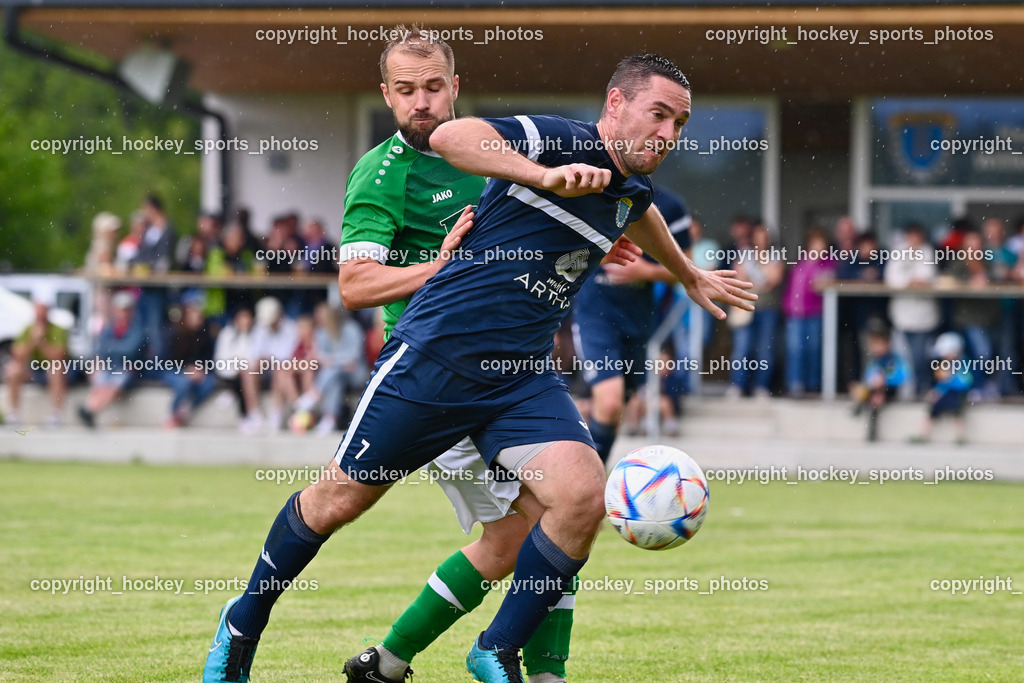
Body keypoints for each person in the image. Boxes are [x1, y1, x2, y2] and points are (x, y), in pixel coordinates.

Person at [203, 51, 755, 683]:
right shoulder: (559, 141)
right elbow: (453, 137)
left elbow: (642, 206)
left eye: (678, 125)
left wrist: (687, 274)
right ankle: (242, 624)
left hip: (519, 376)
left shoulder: (627, 184)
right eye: (658, 115)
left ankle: (497, 651)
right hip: (434, 362)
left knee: (578, 496)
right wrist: (540, 176)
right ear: (614, 105)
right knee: (336, 502)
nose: (667, 135)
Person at [571, 185, 691, 463]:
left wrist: (645, 271)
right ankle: (587, 479)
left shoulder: (669, 206)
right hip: (594, 314)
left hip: (639, 319)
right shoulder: (588, 192)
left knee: (616, 408)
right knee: (609, 400)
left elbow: (688, 268)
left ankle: (592, 474)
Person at [884, 222, 939, 397]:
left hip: (924, 315)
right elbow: (892, 278)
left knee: (921, 356)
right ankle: (907, 392)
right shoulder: (899, 251)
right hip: (902, 315)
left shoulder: (928, 251)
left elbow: (928, 276)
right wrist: (910, 280)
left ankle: (921, 389)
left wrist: (912, 280)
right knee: (904, 357)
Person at [77, 291, 145, 428]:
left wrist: (111, 350)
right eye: (120, 310)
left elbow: (130, 351)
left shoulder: (137, 329)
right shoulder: (110, 328)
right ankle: (89, 409)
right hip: (111, 366)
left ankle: (90, 410)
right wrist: (114, 351)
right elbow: (100, 349)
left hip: (129, 368)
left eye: (126, 310)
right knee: (100, 380)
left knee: (112, 385)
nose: (123, 313)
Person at [782, 227, 835, 396]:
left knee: (813, 349)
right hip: (795, 313)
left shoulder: (827, 264)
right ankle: (795, 384)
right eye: (815, 243)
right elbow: (792, 286)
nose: (818, 247)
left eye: (821, 243)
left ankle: (813, 384)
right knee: (795, 349)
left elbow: (822, 286)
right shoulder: (800, 262)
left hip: (814, 312)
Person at [4, 295, 69, 427]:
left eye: (43, 310)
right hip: (32, 370)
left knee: (56, 369)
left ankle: (56, 415)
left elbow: (58, 356)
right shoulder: (28, 329)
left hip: (51, 369)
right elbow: (17, 354)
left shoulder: (58, 329)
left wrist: (42, 342)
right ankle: (14, 414)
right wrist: (33, 342)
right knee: (13, 369)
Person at [162, 295, 218, 428]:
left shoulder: (205, 334)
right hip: (172, 370)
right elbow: (166, 360)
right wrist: (186, 370)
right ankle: (172, 413)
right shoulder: (174, 332)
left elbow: (209, 359)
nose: (198, 317)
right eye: (194, 313)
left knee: (209, 382)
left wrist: (200, 370)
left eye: (200, 314)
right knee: (183, 382)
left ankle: (184, 412)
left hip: (196, 372)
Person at [851, 319, 909, 442]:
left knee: (876, 394)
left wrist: (885, 380)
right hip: (875, 389)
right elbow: (868, 375)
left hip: (890, 388)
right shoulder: (874, 360)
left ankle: (861, 406)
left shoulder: (893, 360)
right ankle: (863, 403)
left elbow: (901, 376)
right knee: (873, 394)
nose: (876, 348)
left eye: (879, 344)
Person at [911, 332, 972, 444]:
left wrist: (950, 379)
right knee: (932, 410)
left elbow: (966, 381)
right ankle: (922, 434)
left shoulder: (963, 363)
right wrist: (937, 391)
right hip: (945, 393)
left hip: (957, 394)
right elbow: (942, 384)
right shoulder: (945, 364)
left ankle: (960, 436)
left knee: (957, 411)